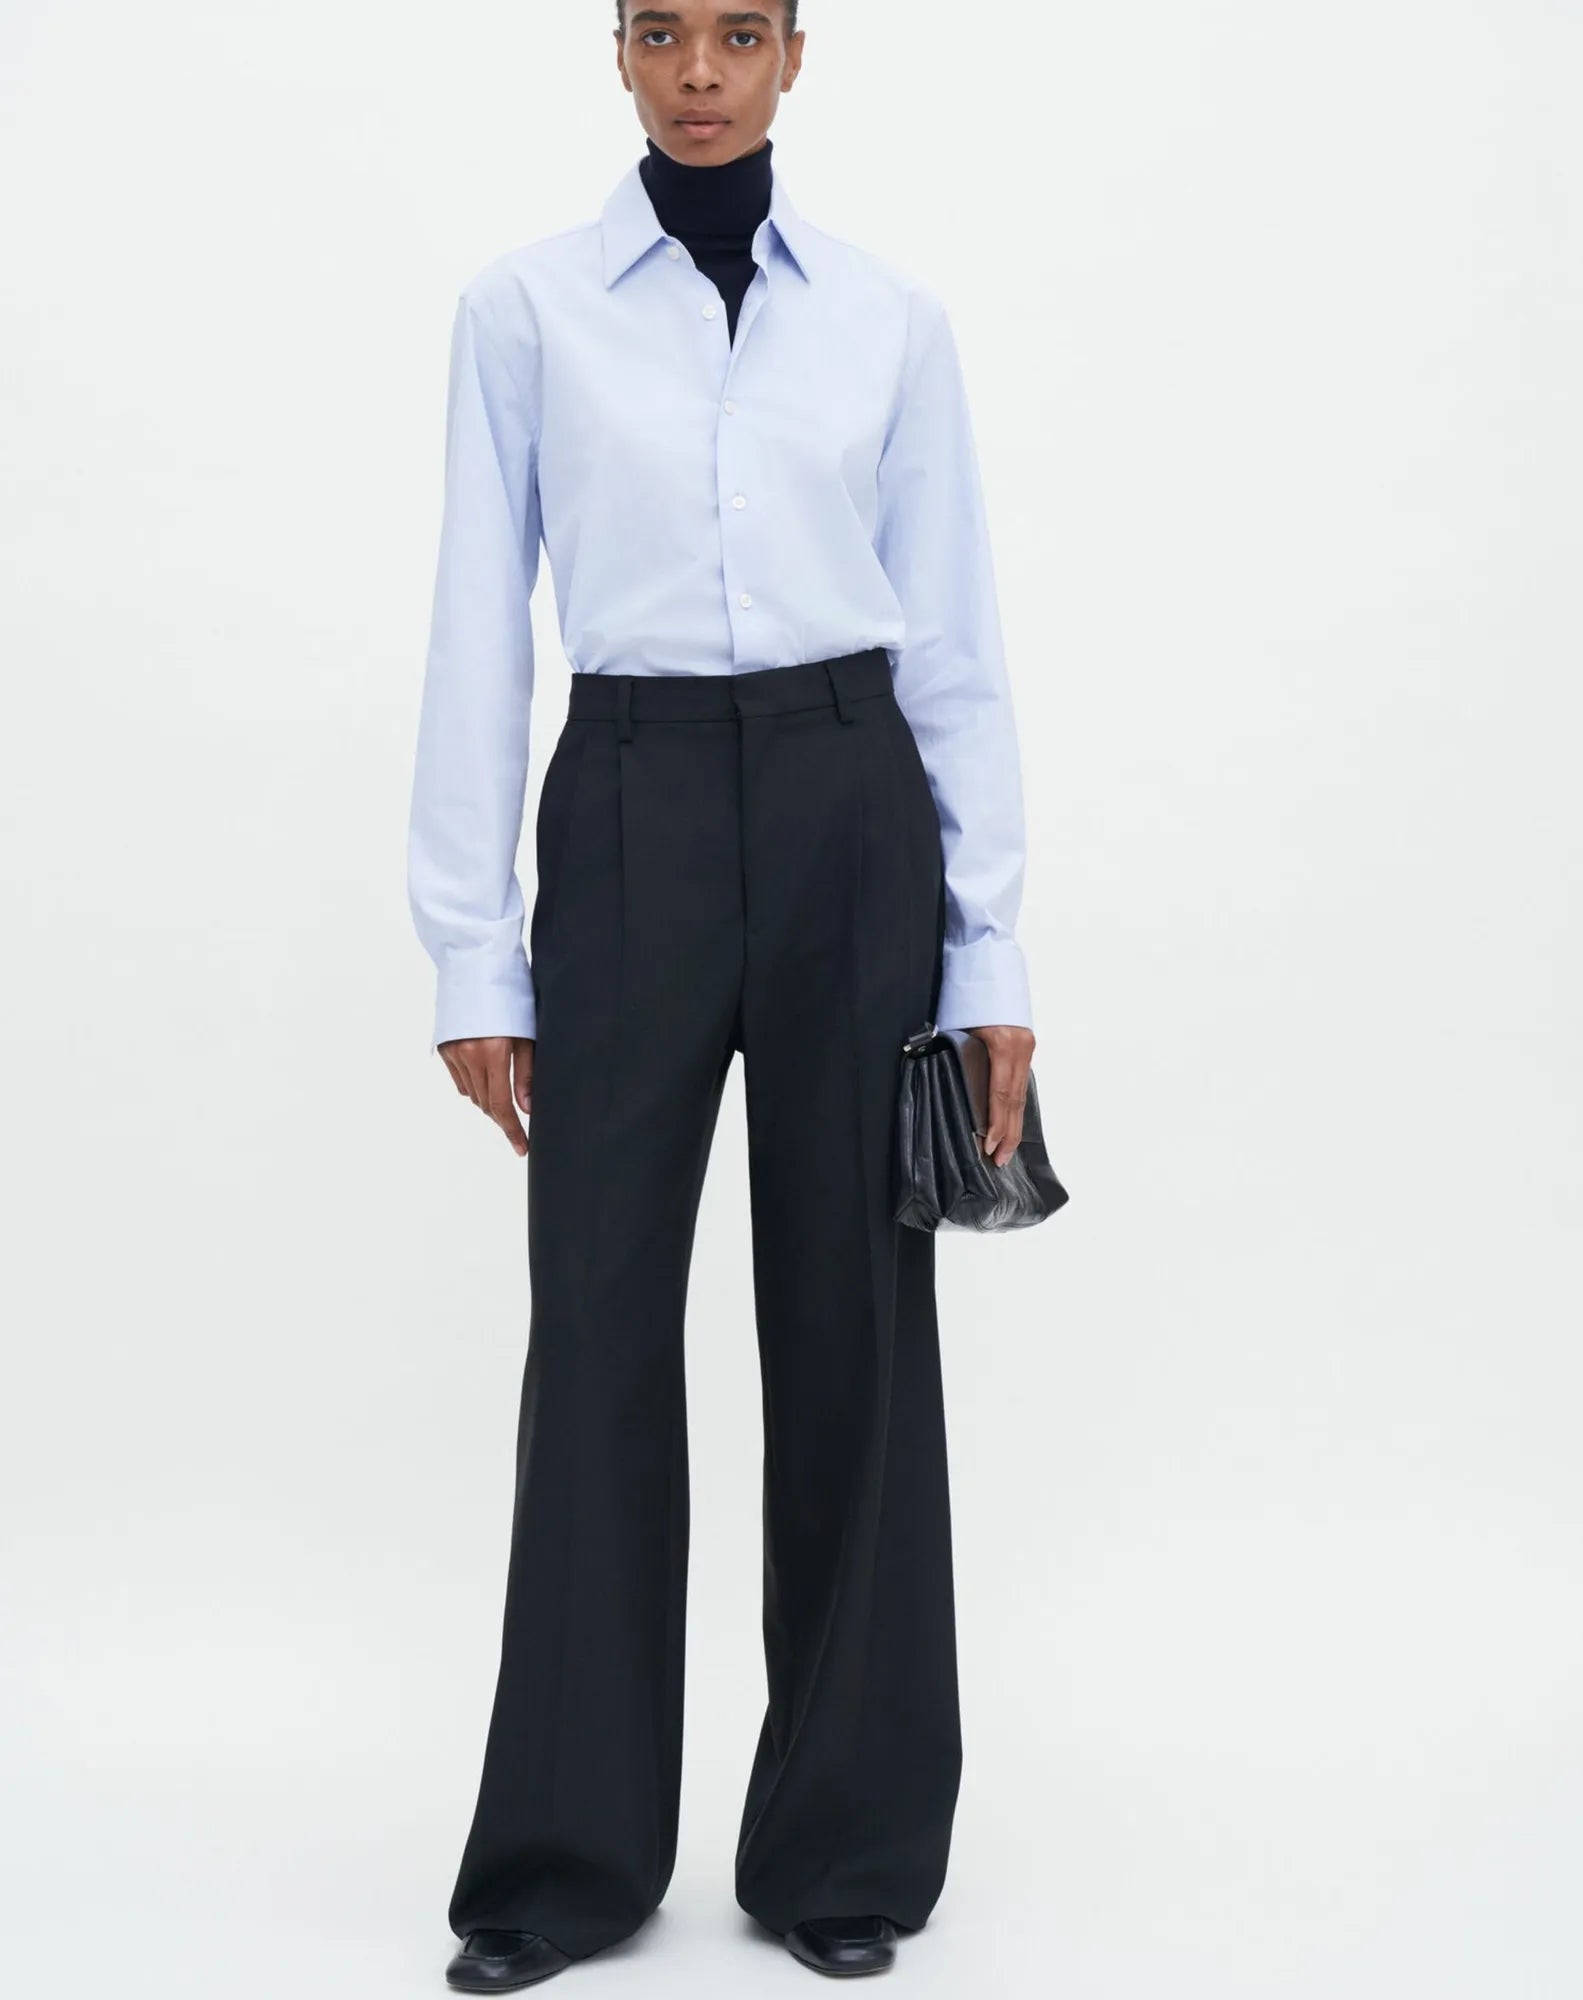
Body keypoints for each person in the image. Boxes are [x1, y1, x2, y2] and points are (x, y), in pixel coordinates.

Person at [407, 1, 1037, 1986]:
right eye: (662, 32)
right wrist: (471, 949)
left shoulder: (889, 320)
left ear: (793, 58)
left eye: (738, 34)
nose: (700, 72)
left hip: (854, 803)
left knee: (855, 1324)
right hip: (631, 803)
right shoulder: (522, 310)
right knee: (596, 1325)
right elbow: (476, 624)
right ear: (615, 53)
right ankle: (562, 1863)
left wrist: (990, 951)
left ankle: (843, 1848)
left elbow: (952, 640)